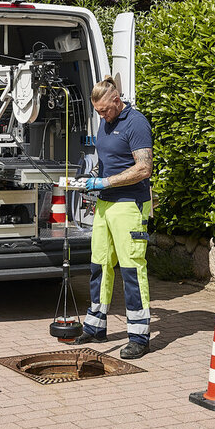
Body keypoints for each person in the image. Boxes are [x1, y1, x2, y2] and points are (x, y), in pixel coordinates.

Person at [69, 75, 154, 359]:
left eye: (105, 110)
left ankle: (140, 336)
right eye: (98, 112)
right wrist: (90, 178)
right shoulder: (105, 123)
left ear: (117, 100)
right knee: (99, 265)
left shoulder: (136, 122)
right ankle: (95, 326)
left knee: (132, 269)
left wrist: (105, 183)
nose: (102, 116)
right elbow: (106, 163)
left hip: (130, 204)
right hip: (105, 205)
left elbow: (143, 169)